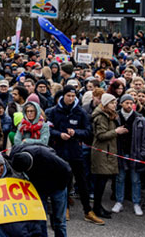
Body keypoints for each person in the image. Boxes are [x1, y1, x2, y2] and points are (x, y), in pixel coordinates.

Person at [46, 86, 100, 224]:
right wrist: (60, 135)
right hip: (59, 151)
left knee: (82, 181)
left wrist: (76, 133)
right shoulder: (53, 111)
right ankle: (65, 208)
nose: (71, 98)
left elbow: (88, 132)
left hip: (76, 152)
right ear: (63, 96)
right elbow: (48, 130)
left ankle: (88, 210)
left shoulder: (80, 112)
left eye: (73, 96)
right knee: (63, 182)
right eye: (68, 95)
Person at [10, 143, 73, 237]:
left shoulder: (46, 155)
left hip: (57, 185)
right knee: (40, 219)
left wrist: (62, 187)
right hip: (38, 187)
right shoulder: (16, 154)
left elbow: (67, 169)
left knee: (59, 221)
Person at [112, 93, 145, 216]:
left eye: (131, 103)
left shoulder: (139, 118)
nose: (129, 105)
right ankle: (119, 201)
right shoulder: (115, 117)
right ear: (121, 103)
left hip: (135, 154)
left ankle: (136, 202)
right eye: (126, 103)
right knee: (120, 178)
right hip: (120, 152)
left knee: (135, 180)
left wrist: (143, 153)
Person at [91, 93, 123, 220]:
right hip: (102, 152)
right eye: (112, 103)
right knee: (100, 181)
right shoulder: (101, 117)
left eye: (115, 102)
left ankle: (98, 207)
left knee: (102, 182)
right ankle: (97, 208)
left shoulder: (110, 115)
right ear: (105, 104)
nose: (114, 105)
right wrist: (116, 131)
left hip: (107, 152)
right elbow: (101, 135)